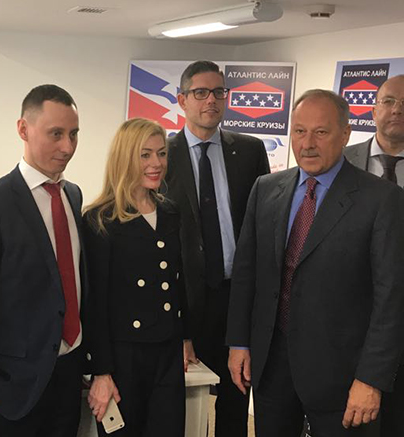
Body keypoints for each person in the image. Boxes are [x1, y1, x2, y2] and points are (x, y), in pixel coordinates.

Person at [226, 89, 404, 437]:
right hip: (271, 368)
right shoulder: (265, 188)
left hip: (344, 377)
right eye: (299, 131)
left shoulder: (382, 199)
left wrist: (371, 378)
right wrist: (239, 343)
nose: (307, 144)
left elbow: (392, 298)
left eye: (320, 132)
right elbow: (247, 274)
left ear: (345, 134)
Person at [0, 84, 87, 437]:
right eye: (56, 134)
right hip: (11, 394)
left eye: (74, 134)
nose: (68, 147)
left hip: (68, 378)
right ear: (23, 129)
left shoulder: (73, 196)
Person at [166, 60, 270, 436]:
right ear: (182, 100)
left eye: (218, 92)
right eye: (200, 93)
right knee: (182, 407)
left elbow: (263, 225)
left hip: (236, 298)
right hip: (185, 299)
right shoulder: (161, 155)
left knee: (235, 398)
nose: (211, 100)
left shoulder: (250, 151)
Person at [83, 117, 197, 437]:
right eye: (145, 154)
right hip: (124, 356)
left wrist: (186, 337)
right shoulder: (100, 219)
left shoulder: (170, 211)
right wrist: (101, 372)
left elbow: (177, 281)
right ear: (125, 158)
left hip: (167, 350)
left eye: (161, 153)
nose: (156, 163)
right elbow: (95, 304)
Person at [344, 74, 404, 436]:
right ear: (373, 109)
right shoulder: (340, 160)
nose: (397, 110)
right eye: (389, 101)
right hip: (347, 323)